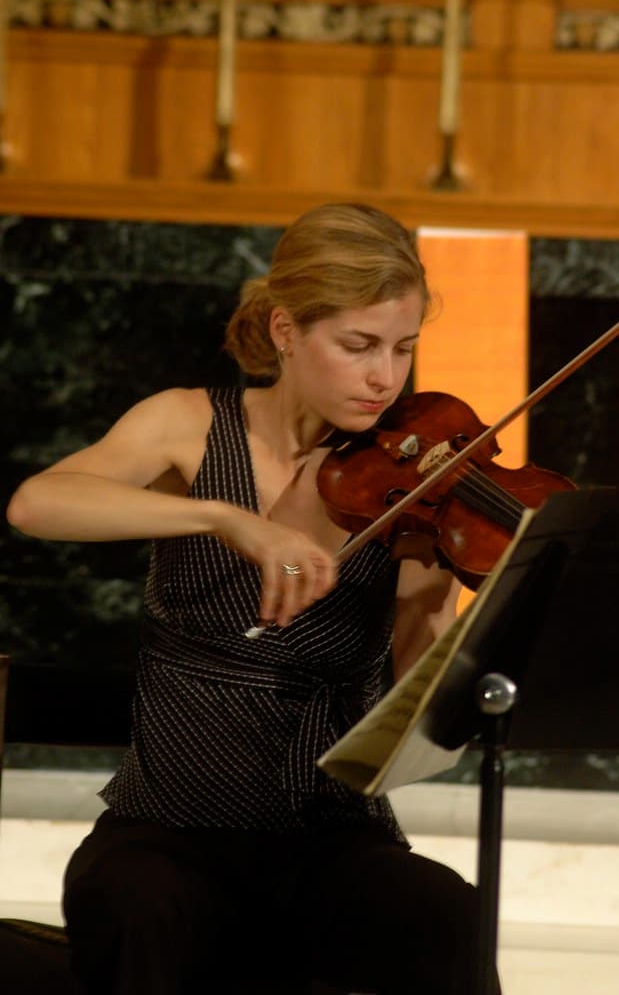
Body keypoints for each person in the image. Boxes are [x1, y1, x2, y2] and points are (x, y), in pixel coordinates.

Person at [6, 202, 496, 995]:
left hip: (333, 842)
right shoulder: (188, 427)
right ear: (284, 331)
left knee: (446, 914)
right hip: (168, 831)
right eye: (358, 345)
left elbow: (410, 728)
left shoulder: (409, 487)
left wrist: (430, 600)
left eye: (404, 349)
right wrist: (223, 517)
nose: (386, 378)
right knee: (134, 903)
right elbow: (37, 503)